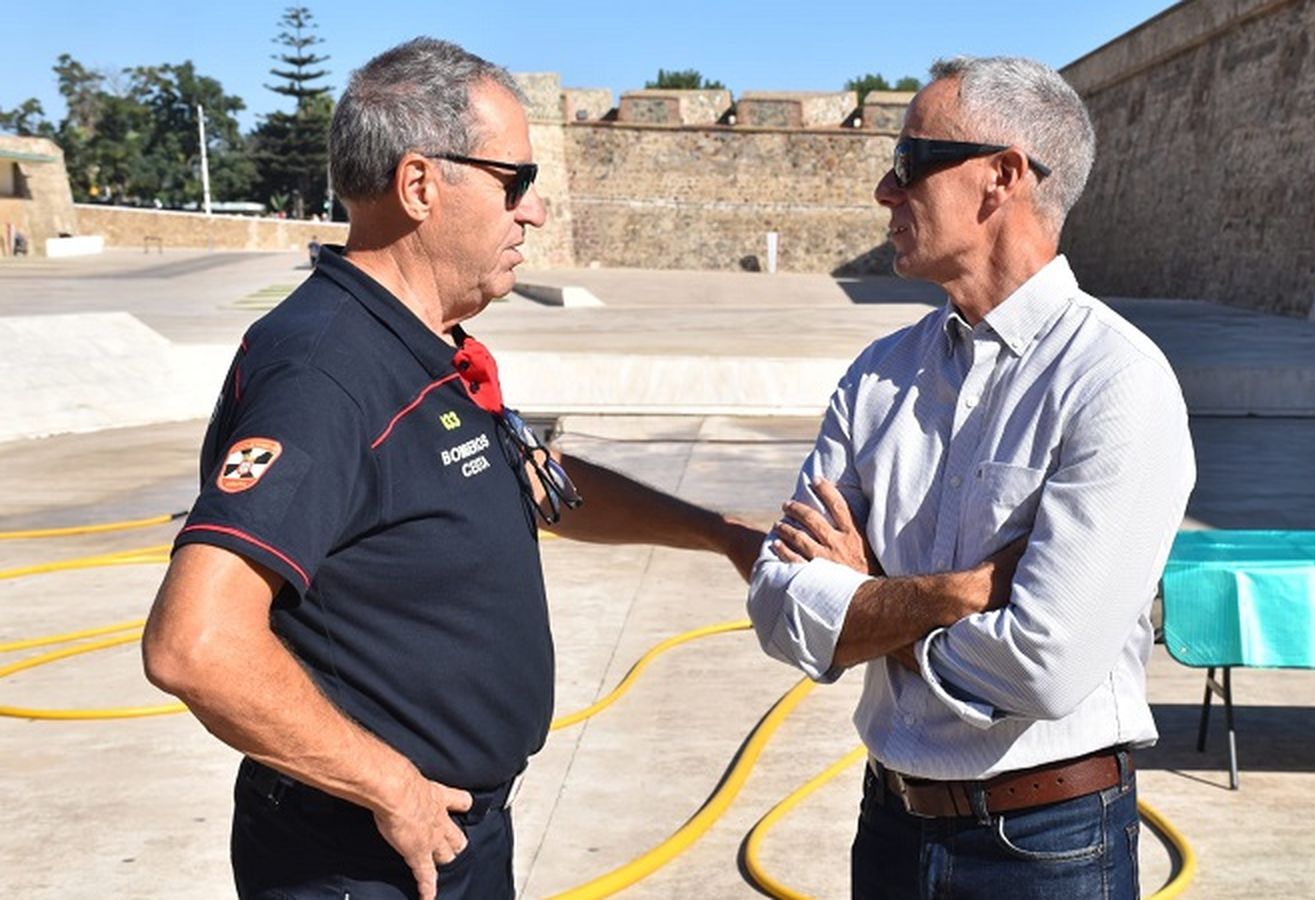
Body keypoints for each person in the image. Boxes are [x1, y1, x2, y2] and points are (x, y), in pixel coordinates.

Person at [142, 38, 763, 900]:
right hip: (364, 859)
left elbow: (535, 480)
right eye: (516, 182)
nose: (535, 212)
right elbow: (196, 644)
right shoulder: (326, 373)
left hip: (447, 840)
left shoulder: (423, 349)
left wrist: (717, 534)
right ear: (421, 185)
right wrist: (388, 786)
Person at [747, 56, 1194, 899]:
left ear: (1002, 177)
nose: (886, 189)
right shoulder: (880, 375)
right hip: (889, 825)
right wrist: (956, 594)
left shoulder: (1114, 383)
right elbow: (776, 604)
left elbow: (1045, 668)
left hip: (1046, 847)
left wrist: (871, 600)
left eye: (911, 162)